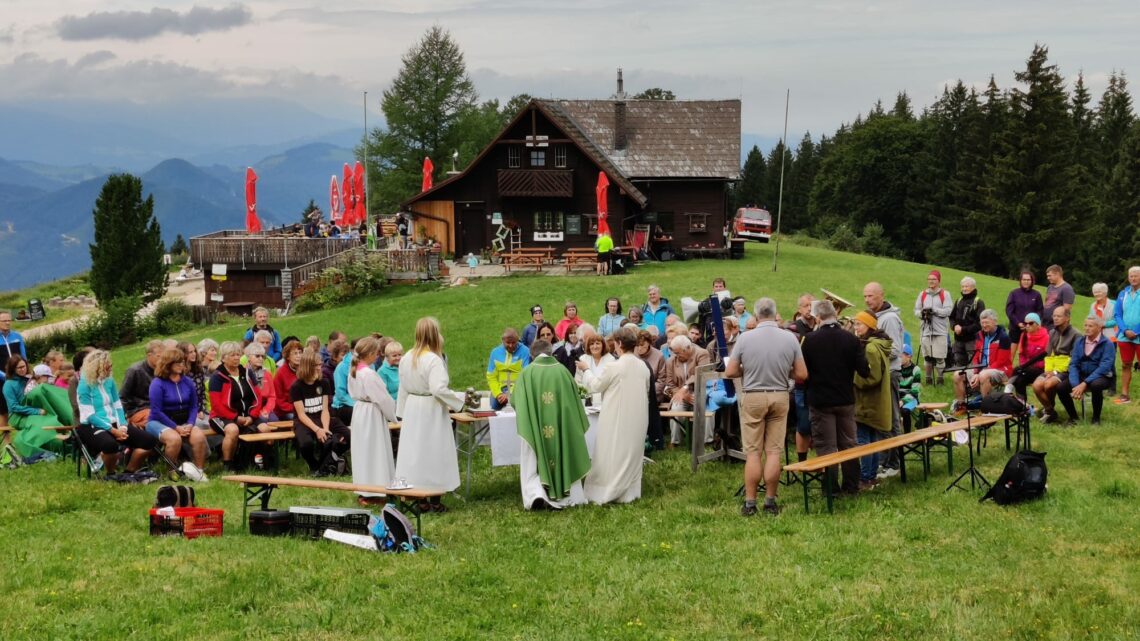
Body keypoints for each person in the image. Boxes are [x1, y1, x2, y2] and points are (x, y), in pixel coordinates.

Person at [724, 298, 806, 515]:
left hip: (753, 396)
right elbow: (802, 374)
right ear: (775, 312)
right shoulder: (790, 338)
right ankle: (770, 501)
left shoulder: (745, 338)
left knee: (753, 452)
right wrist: (784, 371)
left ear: (756, 314)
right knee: (773, 452)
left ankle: (750, 503)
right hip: (779, 395)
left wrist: (747, 370)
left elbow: (730, 372)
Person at [512, 338, 592, 510]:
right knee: (565, 451)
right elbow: (575, 403)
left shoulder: (527, 374)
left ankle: (537, 494)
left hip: (536, 428)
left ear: (531, 355)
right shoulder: (563, 371)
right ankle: (573, 495)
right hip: (561, 428)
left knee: (533, 458)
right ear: (550, 352)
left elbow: (515, 401)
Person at [801, 300, 870, 495]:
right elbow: (864, 371)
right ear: (835, 315)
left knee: (826, 446)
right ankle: (851, 485)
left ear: (817, 317)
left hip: (821, 400)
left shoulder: (810, 339)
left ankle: (831, 488)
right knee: (849, 443)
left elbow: (802, 373)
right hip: (845, 398)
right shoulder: (851, 339)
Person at [395, 318, 466, 510]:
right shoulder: (433, 359)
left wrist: (401, 412)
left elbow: (403, 388)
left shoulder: (407, 357)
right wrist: (460, 402)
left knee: (417, 452)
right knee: (435, 450)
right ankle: (434, 498)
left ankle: (421, 499)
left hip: (412, 408)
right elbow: (438, 389)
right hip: (430, 409)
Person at [579, 326, 649, 504]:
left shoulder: (614, 366)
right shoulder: (643, 366)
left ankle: (607, 489)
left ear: (619, 344)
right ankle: (630, 491)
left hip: (616, 416)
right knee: (631, 452)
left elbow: (595, 386)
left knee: (612, 452)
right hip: (638, 416)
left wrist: (586, 370)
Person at [76, 350, 157, 473]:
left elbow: (117, 405)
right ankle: (110, 473)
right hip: (92, 425)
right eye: (107, 366)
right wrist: (113, 431)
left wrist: (123, 426)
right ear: (97, 367)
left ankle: (129, 471)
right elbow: (90, 415)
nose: (110, 369)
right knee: (110, 445)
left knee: (149, 441)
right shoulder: (84, 385)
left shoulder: (109, 381)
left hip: (114, 423)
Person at [347, 336, 398, 503]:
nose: (378, 356)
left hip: (360, 411)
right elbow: (382, 398)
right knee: (375, 451)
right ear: (368, 353)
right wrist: (394, 415)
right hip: (371, 413)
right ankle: (376, 490)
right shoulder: (369, 374)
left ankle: (365, 489)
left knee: (364, 451)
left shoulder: (354, 370)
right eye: (376, 353)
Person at [863, 282, 904, 476]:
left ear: (881, 295)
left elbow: (895, 350)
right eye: (865, 296)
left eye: (871, 296)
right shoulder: (874, 318)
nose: (867, 300)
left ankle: (894, 463)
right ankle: (883, 460)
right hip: (880, 374)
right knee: (881, 418)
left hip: (890, 374)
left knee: (892, 417)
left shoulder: (889, 319)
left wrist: (872, 352)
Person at [208, 341, 266, 471]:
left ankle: (262, 460)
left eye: (238, 355)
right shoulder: (217, 377)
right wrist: (235, 418)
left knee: (265, 429)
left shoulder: (247, 373)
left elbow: (258, 397)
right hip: (221, 416)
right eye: (232, 355)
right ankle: (228, 464)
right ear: (223, 358)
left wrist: (252, 416)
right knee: (233, 430)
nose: (236, 358)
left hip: (248, 415)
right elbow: (216, 405)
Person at [291, 349, 350, 476]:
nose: (319, 368)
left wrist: (325, 428)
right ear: (307, 366)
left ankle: (327, 462)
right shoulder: (296, 387)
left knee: (348, 435)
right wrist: (318, 430)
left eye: (320, 365)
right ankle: (314, 465)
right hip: (305, 420)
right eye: (316, 365)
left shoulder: (324, 382)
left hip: (323, 417)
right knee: (305, 444)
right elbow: (301, 414)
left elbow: (325, 409)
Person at [851, 311, 893, 492]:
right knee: (872, 440)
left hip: (868, 403)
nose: (855, 327)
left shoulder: (870, 348)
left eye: (859, 324)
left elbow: (872, 377)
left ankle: (866, 477)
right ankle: (871, 475)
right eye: (855, 324)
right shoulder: (876, 344)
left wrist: (852, 378)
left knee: (864, 441)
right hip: (873, 403)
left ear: (869, 326)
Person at [146, 347, 207, 470]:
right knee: (174, 439)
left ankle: (199, 470)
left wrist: (190, 424)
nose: (182, 365)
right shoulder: (157, 383)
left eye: (183, 362)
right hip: (159, 421)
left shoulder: (188, 381)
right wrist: (176, 427)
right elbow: (156, 411)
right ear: (168, 364)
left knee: (199, 436)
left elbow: (194, 406)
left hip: (184, 421)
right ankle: (172, 471)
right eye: (178, 362)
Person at [3, 355, 72, 457]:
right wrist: (36, 411)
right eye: (19, 367)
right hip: (17, 416)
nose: (23, 369)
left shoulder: (28, 379)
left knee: (51, 417)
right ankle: (48, 450)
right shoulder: (8, 384)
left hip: (33, 411)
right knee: (40, 424)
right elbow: (14, 407)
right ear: (13, 368)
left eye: (24, 366)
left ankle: (67, 440)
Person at [1055, 316, 1116, 425]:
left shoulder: (1108, 344)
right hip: (1082, 374)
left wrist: (1084, 383)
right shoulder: (1080, 342)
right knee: (1061, 387)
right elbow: (1073, 364)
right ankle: (1073, 418)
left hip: (1101, 376)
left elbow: (1105, 367)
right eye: (1085, 325)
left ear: (1099, 328)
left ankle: (1096, 419)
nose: (1087, 328)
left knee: (1096, 385)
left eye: (1090, 326)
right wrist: (1075, 385)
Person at [951, 309, 1012, 414]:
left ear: (995, 322)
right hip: (982, 370)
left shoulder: (1003, 337)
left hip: (1001, 370)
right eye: (982, 323)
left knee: (984, 375)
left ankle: (986, 408)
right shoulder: (979, 335)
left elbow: (1001, 361)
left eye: (987, 323)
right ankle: (962, 405)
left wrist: (979, 374)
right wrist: (975, 372)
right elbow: (976, 357)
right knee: (958, 375)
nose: (984, 325)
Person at [1033, 308, 1080, 425]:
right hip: (1052, 368)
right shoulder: (1052, 332)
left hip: (1066, 370)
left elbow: (1074, 359)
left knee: (1048, 384)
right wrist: (1049, 370)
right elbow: (1048, 354)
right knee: (1036, 385)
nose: (1055, 318)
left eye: (1058, 316)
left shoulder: (1076, 334)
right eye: (1054, 316)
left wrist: (1055, 372)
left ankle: (1049, 412)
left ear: (1067, 318)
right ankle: (1050, 410)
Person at [914, 270, 953, 385]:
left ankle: (940, 379)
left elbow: (948, 310)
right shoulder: (923, 294)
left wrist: (934, 310)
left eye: (933, 279)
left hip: (940, 330)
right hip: (925, 329)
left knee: (940, 357)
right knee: (927, 357)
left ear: (939, 281)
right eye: (929, 279)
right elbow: (916, 310)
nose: (931, 281)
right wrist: (922, 313)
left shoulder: (945, 294)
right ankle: (928, 379)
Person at [120, 339, 163, 428]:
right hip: (139, 409)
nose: (162, 359)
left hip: (158, 407)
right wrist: (122, 418)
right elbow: (123, 396)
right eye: (159, 356)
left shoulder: (163, 370)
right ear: (149, 355)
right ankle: (134, 425)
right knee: (156, 418)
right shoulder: (134, 371)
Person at [486, 327, 530, 410]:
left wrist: (510, 393)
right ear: (502, 340)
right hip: (500, 389)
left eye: (514, 342)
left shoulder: (525, 351)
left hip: (518, 389)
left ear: (518, 340)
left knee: (520, 409)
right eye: (508, 343)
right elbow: (491, 376)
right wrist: (498, 394)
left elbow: (525, 375)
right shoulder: (495, 352)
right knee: (493, 409)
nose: (511, 345)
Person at [1113, 266, 1140, 404]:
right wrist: (1124, 330)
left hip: (1138, 336)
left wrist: (1136, 331)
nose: (1133, 278)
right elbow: (1117, 314)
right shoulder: (1123, 293)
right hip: (1124, 336)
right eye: (1131, 276)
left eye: (1136, 275)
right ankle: (1124, 395)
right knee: (1126, 364)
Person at [1010, 313, 1049, 398]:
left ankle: (1008, 389)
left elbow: (1047, 358)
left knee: (1017, 372)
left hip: (1040, 369)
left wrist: (1030, 366)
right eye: (1025, 323)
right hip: (1026, 368)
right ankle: (1022, 405)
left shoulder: (1046, 337)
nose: (1027, 325)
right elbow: (1021, 354)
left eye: (1031, 323)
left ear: (1038, 324)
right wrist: (1025, 366)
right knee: (1019, 380)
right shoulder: (1023, 335)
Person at [950, 277, 985, 368]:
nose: (964, 289)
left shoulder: (978, 302)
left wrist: (963, 329)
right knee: (958, 365)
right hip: (958, 340)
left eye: (967, 286)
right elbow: (951, 317)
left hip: (972, 340)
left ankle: (971, 382)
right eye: (962, 286)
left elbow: (979, 324)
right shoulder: (959, 301)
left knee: (973, 366)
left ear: (973, 287)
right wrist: (954, 326)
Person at [575, 334, 616, 405]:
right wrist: (585, 400)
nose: (595, 346)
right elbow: (578, 382)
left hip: (605, 402)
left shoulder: (611, 360)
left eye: (597, 343)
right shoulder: (583, 359)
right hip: (587, 403)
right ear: (588, 346)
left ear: (603, 345)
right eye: (592, 344)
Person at [271, 340, 303, 420]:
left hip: (304, 407)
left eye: (300, 352)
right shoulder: (281, 373)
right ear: (288, 356)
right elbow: (279, 400)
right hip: (286, 410)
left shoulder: (305, 370)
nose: (298, 356)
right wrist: (298, 409)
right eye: (295, 353)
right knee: (296, 417)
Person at [331, 338, 358, 426]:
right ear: (353, 350)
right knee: (359, 412)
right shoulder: (341, 367)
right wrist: (356, 404)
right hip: (343, 405)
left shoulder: (370, 365)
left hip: (359, 402)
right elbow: (340, 394)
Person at [1042, 265, 1075, 331]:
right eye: (1047, 276)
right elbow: (1047, 302)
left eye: (1049, 275)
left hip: (1055, 326)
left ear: (1057, 274)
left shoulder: (1067, 288)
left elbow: (1066, 310)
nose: (1048, 278)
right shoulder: (1050, 286)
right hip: (1045, 323)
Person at [0, 310, 28, 377]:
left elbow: (23, 357)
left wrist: (25, 372)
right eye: (4, 321)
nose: (7, 323)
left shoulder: (17, 336)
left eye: (9, 320)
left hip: (19, 376)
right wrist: (5, 376)